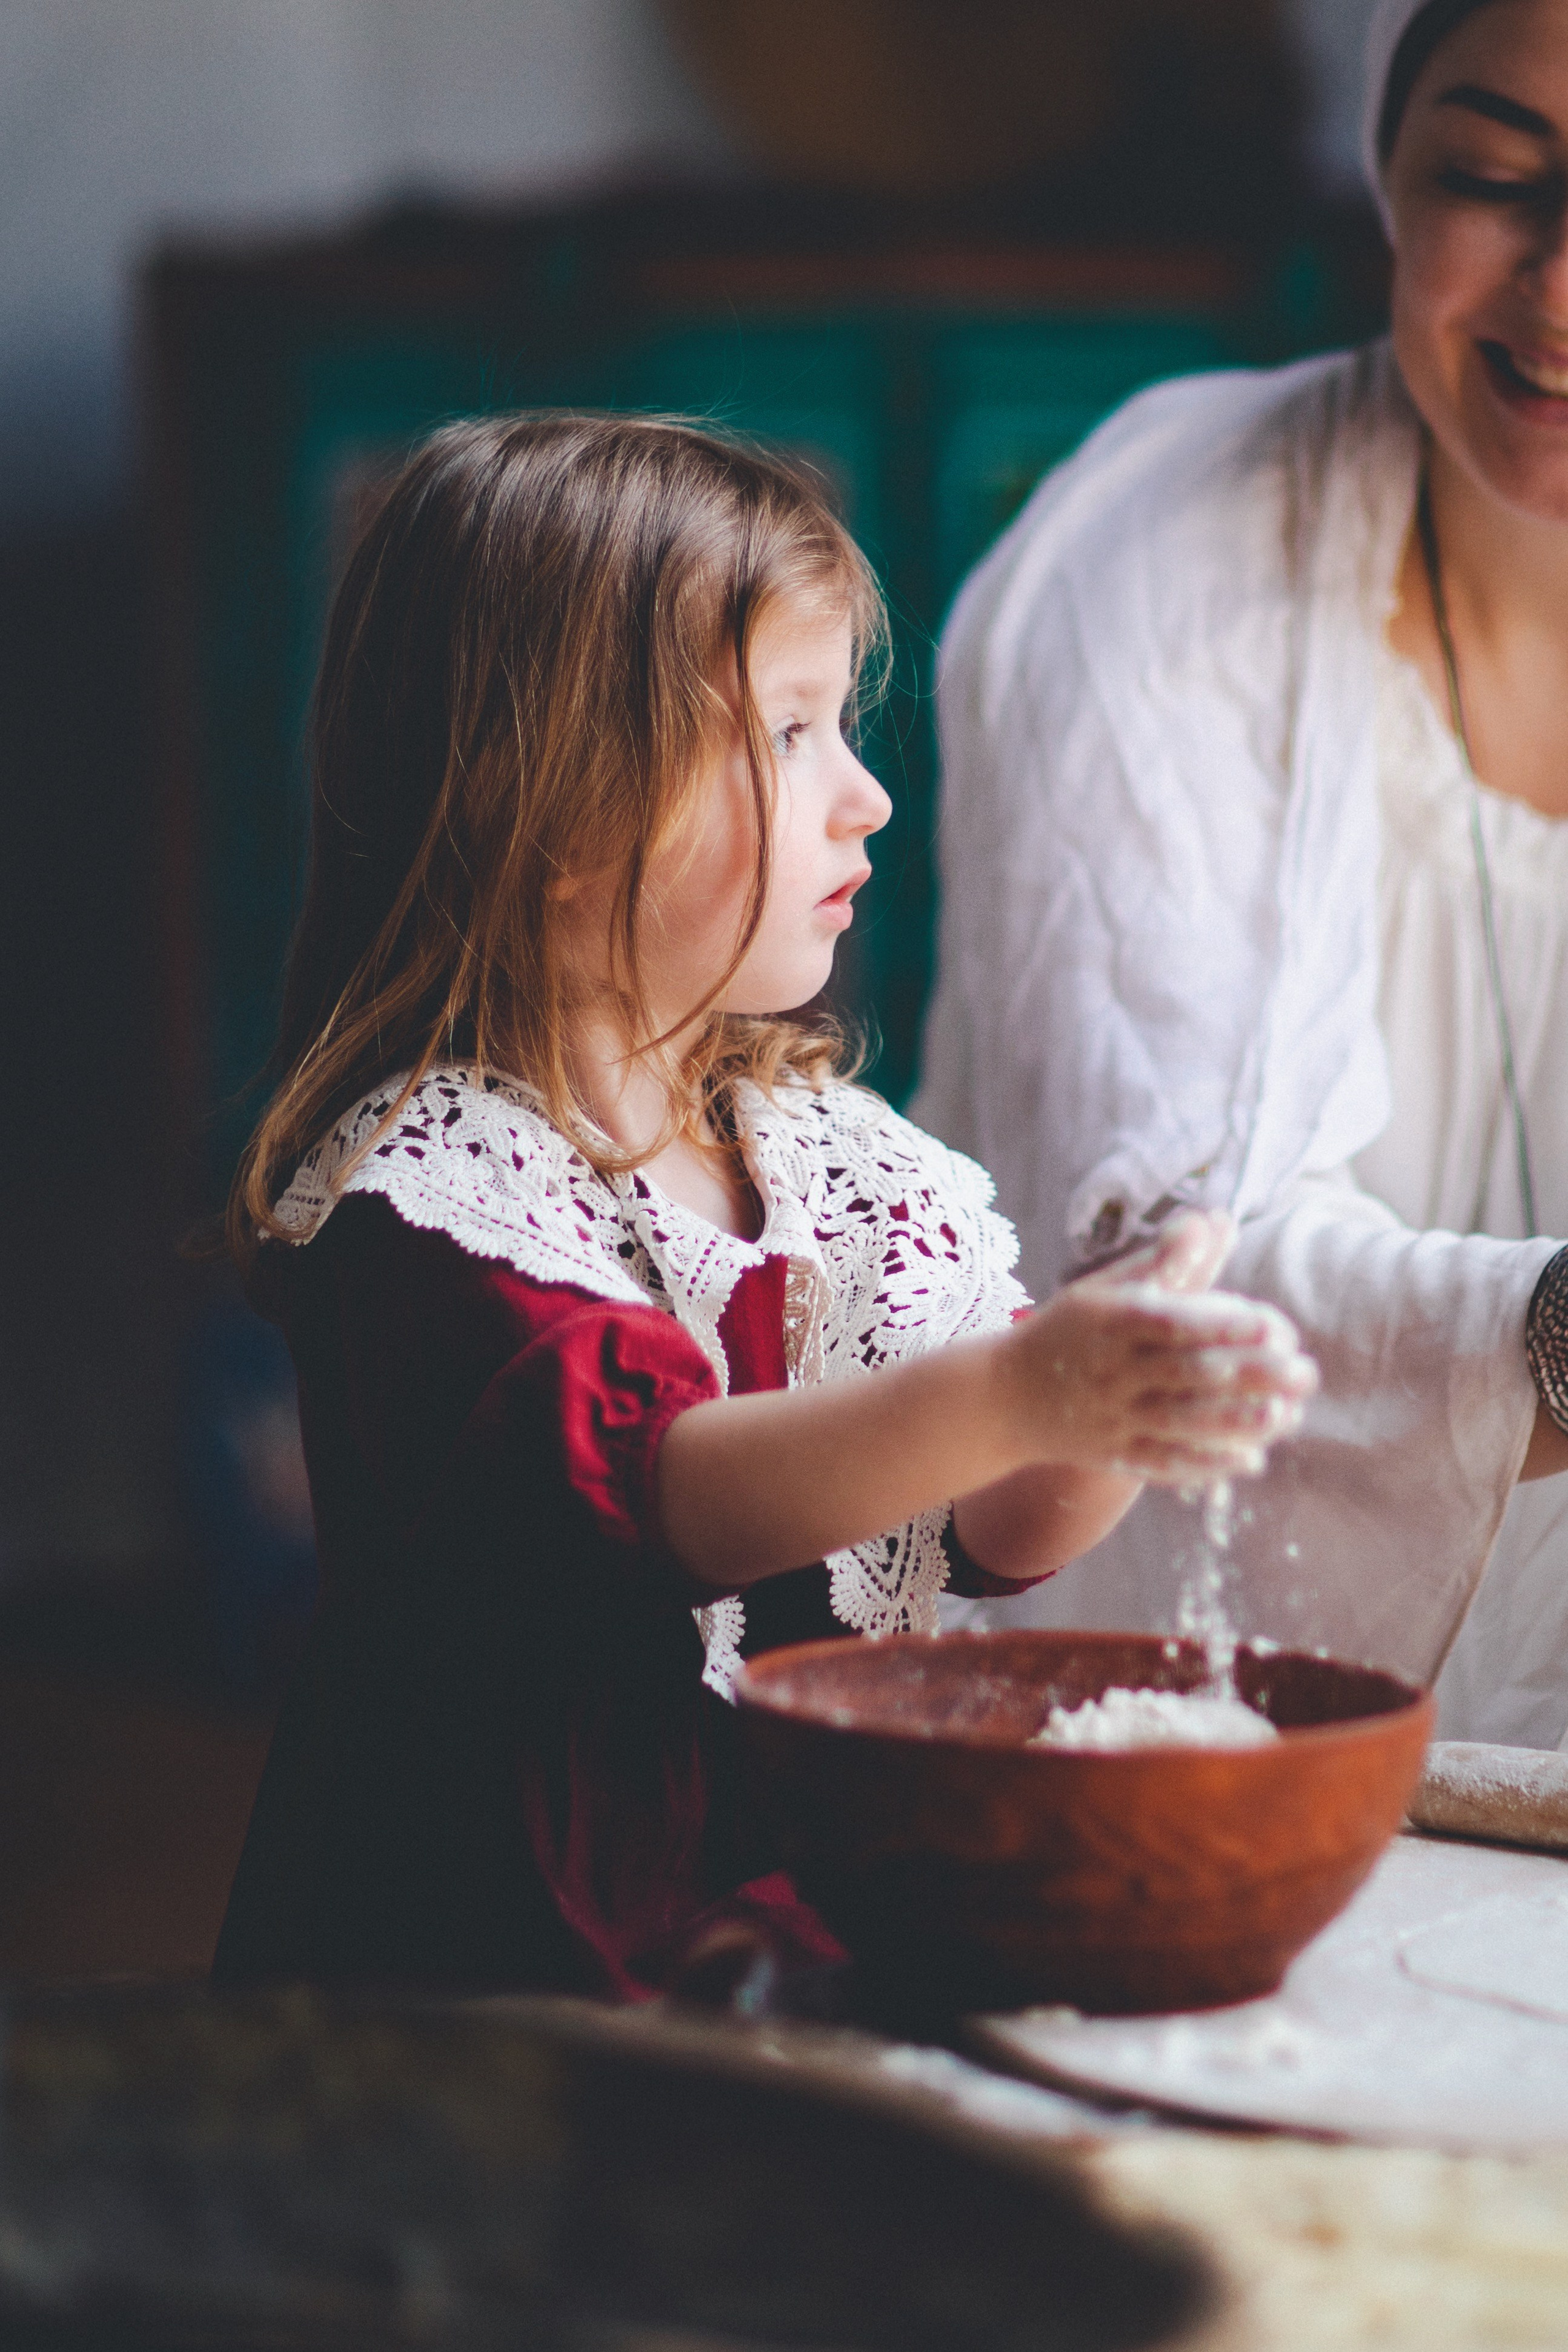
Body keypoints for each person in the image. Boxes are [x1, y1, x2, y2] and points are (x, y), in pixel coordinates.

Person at [211, 415, 1311, 1996]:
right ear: (566, 811)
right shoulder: (439, 1188)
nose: (866, 795)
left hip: (789, 1915)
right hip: (505, 1975)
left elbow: (1000, 1529)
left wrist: (1103, 1399)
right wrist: (1018, 1387)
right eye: (791, 733)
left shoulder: (819, 1157)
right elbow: (674, 1495)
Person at [916, 0, 1568, 1749]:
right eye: (1498, 178)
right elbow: (1170, 1286)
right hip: (1206, 1755)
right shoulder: (1163, 559)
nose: (1563, 288)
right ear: (1383, 163)